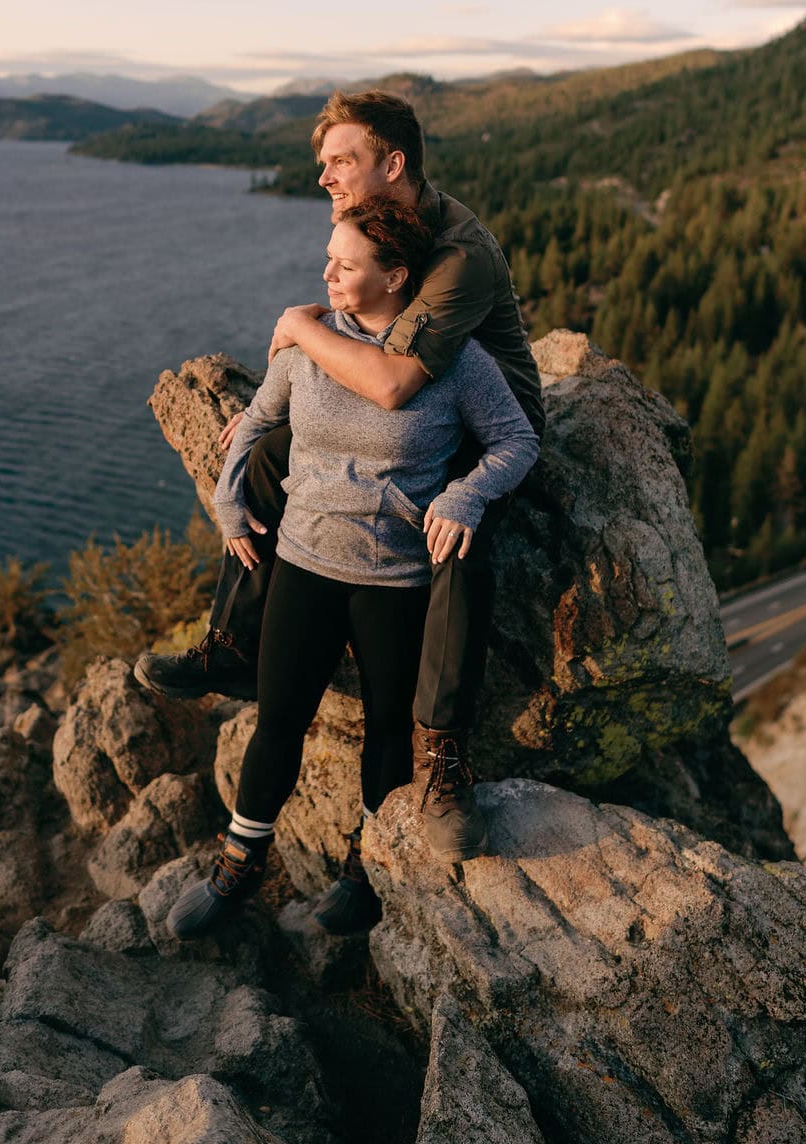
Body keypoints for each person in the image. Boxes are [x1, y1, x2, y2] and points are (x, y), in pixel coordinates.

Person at [136, 88, 545, 860]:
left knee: (458, 540)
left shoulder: (459, 256)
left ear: (392, 163)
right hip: (394, 408)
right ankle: (234, 643)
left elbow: (393, 381)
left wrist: (296, 331)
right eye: (321, 164)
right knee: (264, 456)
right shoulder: (386, 229)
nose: (325, 177)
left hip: (467, 428)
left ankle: (444, 758)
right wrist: (277, 406)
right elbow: (364, 331)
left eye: (339, 161)